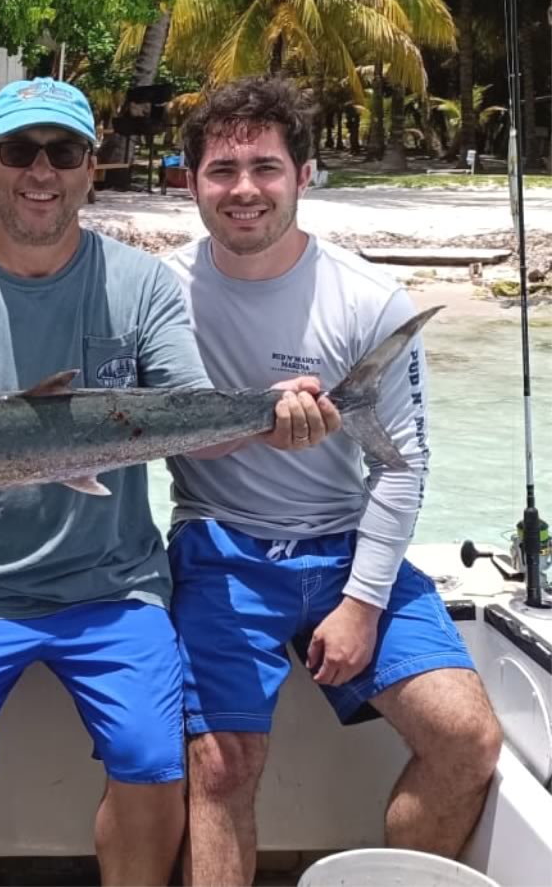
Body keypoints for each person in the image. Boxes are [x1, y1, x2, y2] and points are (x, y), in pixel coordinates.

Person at [0, 78, 334, 887]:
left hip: (115, 582)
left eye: (64, 153)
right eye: (19, 151)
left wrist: (270, 418)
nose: (40, 171)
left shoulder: (144, 285)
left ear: (93, 168)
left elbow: (196, 427)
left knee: (154, 766)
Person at [160, 76, 504, 886]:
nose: (245, 188)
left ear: (305, 176)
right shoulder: (158, 293)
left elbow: (404, 463)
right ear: (190, 181)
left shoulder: (368, 299)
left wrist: (361, 601)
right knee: (220, 764)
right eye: (222, 169)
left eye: (266, 167)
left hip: (346, 545)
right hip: (216, 542)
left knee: (467, 739)